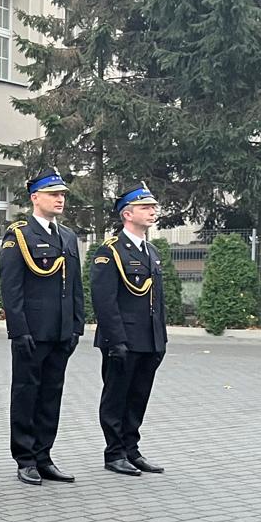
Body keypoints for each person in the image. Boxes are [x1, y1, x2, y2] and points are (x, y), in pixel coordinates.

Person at [0, 172, 86, 485]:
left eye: (62, 194)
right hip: (33, 331)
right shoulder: (19, 235)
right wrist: (19, 330)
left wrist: (76, 325)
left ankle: (44, 455)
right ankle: (25, 459)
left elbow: (75, 285)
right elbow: (11, 287)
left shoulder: (68, 236)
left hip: (61, 331)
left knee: (51, 395)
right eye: (52, 194)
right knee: (26, 393)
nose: (60, 199)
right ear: (35, 197)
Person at [91, 182, 168, 476]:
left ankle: (131, 449)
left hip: (149, 340)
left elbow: (157, 301)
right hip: (122, 340)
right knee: (116, 397)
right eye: (145, 207)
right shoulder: (110, 251)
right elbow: (104, 301)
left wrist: (161, 340)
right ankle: (114, 453)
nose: (152, 211)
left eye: (153, 207)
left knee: (138, 397)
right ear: (127, 214)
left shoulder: (152, 251)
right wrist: (116, 341)